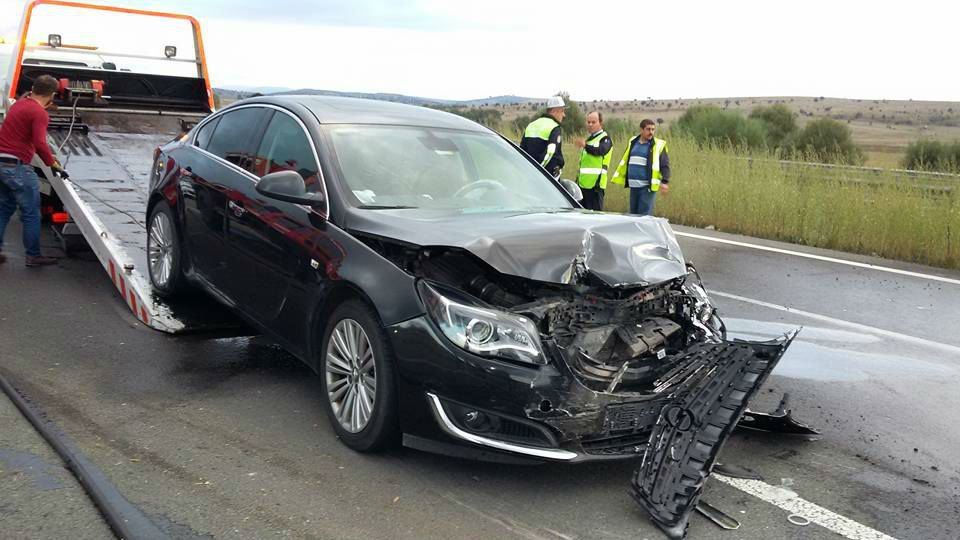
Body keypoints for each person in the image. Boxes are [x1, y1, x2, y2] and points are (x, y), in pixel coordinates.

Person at [0, 74, 64, 266]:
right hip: (17, 166)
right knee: (31, 212)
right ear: (52, 94)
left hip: (1, 162)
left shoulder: (20, 104)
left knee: (4, 208)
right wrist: (51, 162)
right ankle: (33, 255)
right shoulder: (38, 113)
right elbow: (39, 142)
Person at [610, 119, 670, 216]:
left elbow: (665, 165)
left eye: (653, 129)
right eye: (648, 129)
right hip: (634, 187)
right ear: (641, 130)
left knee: (643, 218)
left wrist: (665, 181)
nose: (651, 132)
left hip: (646, 188)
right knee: (633, 216)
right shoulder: (633, 142)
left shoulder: (658, 145)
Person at [573, 111, 613, 210]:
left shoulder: (605, 139)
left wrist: (585, 146)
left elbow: (600, 151)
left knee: (595, 217)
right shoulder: (589, 140)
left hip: (595, 186)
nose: (590, 125)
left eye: (593, 122)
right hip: (583, 185)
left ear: (601, 123)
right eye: (588, 122)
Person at [520, 95, 565, 177]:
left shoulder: (531, 125)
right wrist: (539, 171)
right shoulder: (554, 127)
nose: (564, 115)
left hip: (528, 174)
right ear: (555, 110)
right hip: (546, 177)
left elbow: (522, 150)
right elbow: (550, 152)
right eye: (562, 111)